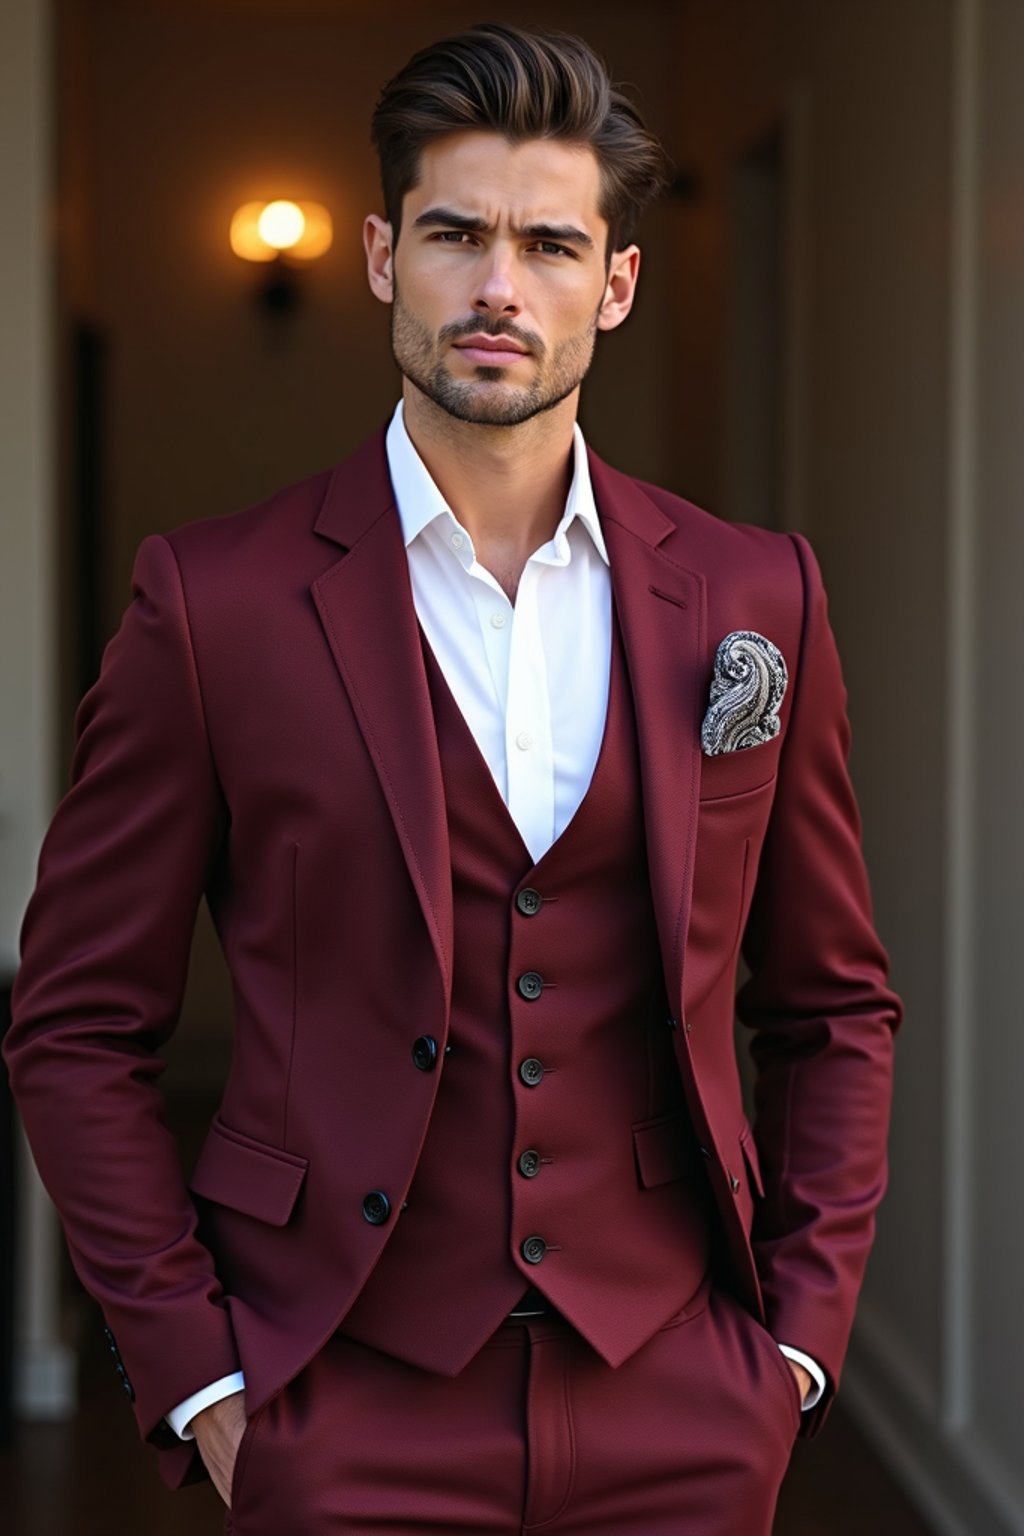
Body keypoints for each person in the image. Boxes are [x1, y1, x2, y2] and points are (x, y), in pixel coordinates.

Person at [3, 22, 901, 1536]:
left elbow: (831, 1006)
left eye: (551, 243)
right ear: (379, 256)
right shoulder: (212, 604)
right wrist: (205, 1385)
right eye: (455, 233)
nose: (499, 286)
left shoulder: (759, 598)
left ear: (616, 285)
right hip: (338, 1404)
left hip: (681, 1399)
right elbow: (76, 1025)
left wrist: (797, 1346)